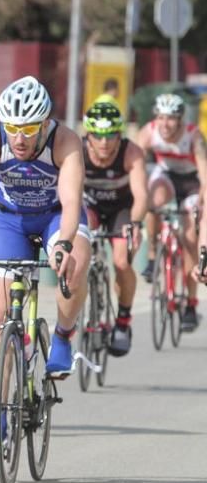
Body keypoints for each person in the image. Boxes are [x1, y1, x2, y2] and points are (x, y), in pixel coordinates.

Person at [0, 75, 91, 454]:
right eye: (13, 129)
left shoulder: (66, 142)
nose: (20, 138)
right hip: (9, 219)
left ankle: (63, 334)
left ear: (45, 123)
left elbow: (73, 200)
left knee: (76, 258)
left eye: (29, 129)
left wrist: (62, 246)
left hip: (56, 216)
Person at [81, 100, 148, 356]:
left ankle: (122, 321)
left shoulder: (131, 153)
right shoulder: (77, 151)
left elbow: (141, 195)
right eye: (97, 135)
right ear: (88, 135)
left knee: (121, 262)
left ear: (120, 135)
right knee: (78, 248)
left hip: (122, 209)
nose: (104, 142)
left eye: (111, 135)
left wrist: (135, 223)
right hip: (90, 207)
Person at [136, 93, 205, 332]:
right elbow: (133, 163)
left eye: (171, 119)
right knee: (153, 198)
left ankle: (190, 304)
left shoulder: (193, 136)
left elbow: (205, 177)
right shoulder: (150, 132)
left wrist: (201, 207)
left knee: (189, 240)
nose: (165, 124)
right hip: (166, 177)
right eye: (161, 118)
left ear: (181, 119)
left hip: (191, 183)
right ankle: (154, 253)